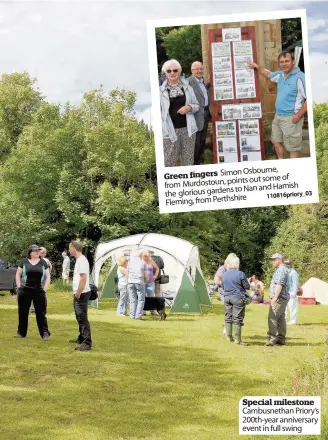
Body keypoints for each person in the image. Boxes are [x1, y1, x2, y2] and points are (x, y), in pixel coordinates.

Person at [247, 51, 306, 159]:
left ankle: (294, 171)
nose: (284, 64)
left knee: (293, 148)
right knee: (275, 140)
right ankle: (281, 163)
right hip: (278, 116)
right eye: (282, 62)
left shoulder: (301, 77)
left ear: (293, 62)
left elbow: (308, 99)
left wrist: (298, 115)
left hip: (291, 118)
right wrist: (256, 66)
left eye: (287, 61)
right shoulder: (280, 74)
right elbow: (268, 73)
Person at [160, 59, 199, 167]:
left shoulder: (188, 88)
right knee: (169, 162)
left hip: (188, 130)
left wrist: (189, 107)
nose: (172, 73)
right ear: (165, 73)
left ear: (179, 72)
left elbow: (196, 105)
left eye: (175, 70)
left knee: (188, 161)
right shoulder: (159, 91)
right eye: (169, 71)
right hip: (169, 131)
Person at [15, 244, 51, 340]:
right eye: (36, 251)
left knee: (41, 313)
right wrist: (19, 287)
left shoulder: (43, 262)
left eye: (39, 251)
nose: (38, 252)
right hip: (25, 290)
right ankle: (21, 332)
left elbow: (48, 277)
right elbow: (18, 275)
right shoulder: (23, 262)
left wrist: (44, 289)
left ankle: (45, 333)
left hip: (39, 290)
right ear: (31, 252)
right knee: (22, 312)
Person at [221, 253, 250, 345]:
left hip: (227, 298)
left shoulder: (224, 274)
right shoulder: (240, 274)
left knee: (228, 316)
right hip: (237, 298)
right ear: (237, 264)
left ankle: (229, 336)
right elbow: (247, 286)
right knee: (237, 318)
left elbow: (223, 286)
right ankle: (238, 340)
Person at [68, 241, 92, 351]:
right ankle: (81, 337)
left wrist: (78, 293)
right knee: (79, 317)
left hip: (81, 293)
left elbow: (83, 278)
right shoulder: (80, 260)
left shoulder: (82, 261)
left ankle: (87, 342)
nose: (69, 250)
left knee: (82, 318)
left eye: (70, 248)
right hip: (80, 292)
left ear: (74, 248)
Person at [186, 61, 211, 165]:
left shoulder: (202, 81)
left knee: (202, 141)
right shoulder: (188, 82)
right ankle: (194, 163)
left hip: (204, 114)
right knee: (195, 142)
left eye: (201, 69)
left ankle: (200, 160)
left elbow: (203, 94)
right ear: (192, 71)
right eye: (197, 69)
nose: (199, 71)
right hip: (194, 116)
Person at [266, 253, 290, 346]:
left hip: (279, 298)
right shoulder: (283, 269)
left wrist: (275, 297)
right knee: (281, 318)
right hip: (283, 298)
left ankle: (272, 338)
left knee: (272, 317)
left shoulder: (281, 270)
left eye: (274, 259)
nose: (272, 261)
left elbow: (279, 284)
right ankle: (281, 339)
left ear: (279, 259)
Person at [127, 251, 147, 320]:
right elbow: (145, 274)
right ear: (140, 255)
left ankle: (132, 315)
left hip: (130, 282)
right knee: (141, 300)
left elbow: (127, 272)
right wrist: (145, 281)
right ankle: (138, 315)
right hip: (139, 281)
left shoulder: (130, 262)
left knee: (132, 300)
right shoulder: (142, 262)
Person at [142, 251, 159, 316]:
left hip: (150, 282)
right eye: (144, 256)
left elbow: (157, 269)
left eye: (147, 256)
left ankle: (152, 310)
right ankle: (143, 310)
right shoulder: (141, 262)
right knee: (142, 296)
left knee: (151, 296)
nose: (145, 258)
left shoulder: (151, 261)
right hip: (143, 282)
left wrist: (155, 276)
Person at [285, 260, 299, 325]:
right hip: (285, 292)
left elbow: (295, 284)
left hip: (291, 293)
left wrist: (294, 292)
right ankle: (284, 320)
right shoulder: (285, 272)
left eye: (287, 264)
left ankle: (293, 321)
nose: (286, 265)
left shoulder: (293, 273)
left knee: (292, 307)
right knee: (284, 307)